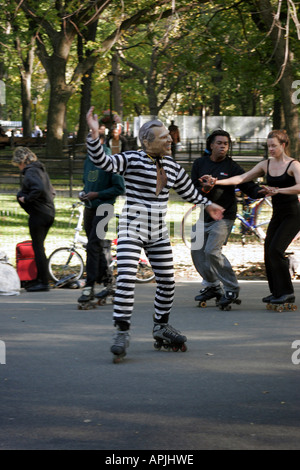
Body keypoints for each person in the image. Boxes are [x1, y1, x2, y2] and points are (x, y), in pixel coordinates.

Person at [86, 106, 224, 361]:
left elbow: (188, 192)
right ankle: (122, 331)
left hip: (158, 232)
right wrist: (94, 136)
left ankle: (161, 326)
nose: (169, 140)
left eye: (168, 137)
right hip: (132, 228)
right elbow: (103, 162)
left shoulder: (171, 166)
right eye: (163, 138)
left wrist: (209, 203)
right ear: (147, 142)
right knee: (126, 277)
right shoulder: (133, 159)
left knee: (167, 282)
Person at [215, 129, 300, 306]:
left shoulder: (293, 165)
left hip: (293, 214)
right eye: (268, 146)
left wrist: (278, 191)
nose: (271, 149)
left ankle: (287, 292)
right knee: (268, 251)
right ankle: (276, 292)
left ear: (283, 145)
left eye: (274, 146)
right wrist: (216, 181)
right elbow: (242, 177)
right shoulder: (266, 165)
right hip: (278, 214)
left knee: (276, 250)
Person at [190, 129, 263, 308]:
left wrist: (260, 191)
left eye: (226, 144)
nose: (223, 146)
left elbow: (247, 185)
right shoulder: (200, 164)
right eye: (219, 143)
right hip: (205, 215)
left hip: (224, 216)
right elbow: (191, 190)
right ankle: (213, 286)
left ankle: (231, 287)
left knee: (211, 251)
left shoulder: (231, 167)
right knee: (197, 252)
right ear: (211, 145)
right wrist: (204, 190)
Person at [77, 131, 125, 304]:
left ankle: (89, 286)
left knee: (92, 244)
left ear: (101, 140)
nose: (88, 141)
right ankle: (108, 283)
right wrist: (83, 193)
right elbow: (87, 182)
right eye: (87, 138)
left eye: (93, 138)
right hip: (89, 207)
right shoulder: (88, 161)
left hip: (104, 208)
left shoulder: (110, 160)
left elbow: (120, 188)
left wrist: (97, 194)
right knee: (96, 246)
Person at [12, 147, 55, 292]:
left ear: (22, 161)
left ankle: (43, 282)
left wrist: (26, 198)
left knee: (38, 249)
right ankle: (39, 279)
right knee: (39, 248)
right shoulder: (41, 170)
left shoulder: (31, 171)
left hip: (39, 214)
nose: (19, 168)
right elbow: (51, 191)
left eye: (18, 165)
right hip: (48, 212)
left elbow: (39, 189)